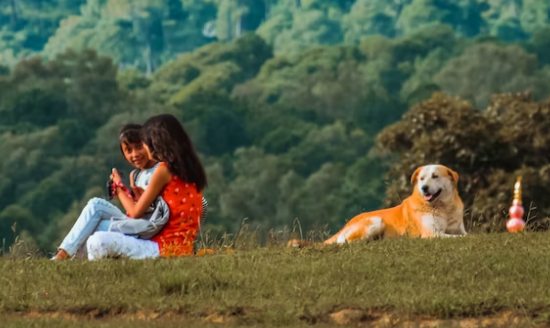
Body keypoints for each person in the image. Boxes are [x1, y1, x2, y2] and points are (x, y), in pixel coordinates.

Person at [86, 114, 207, 260]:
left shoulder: (164, 169)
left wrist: (118, 187)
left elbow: (135, 213)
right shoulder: (192, 170)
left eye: (144, 143)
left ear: (155, 142)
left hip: (162, 248)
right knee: (100, 232)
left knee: (97, 240)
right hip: (181, 248)